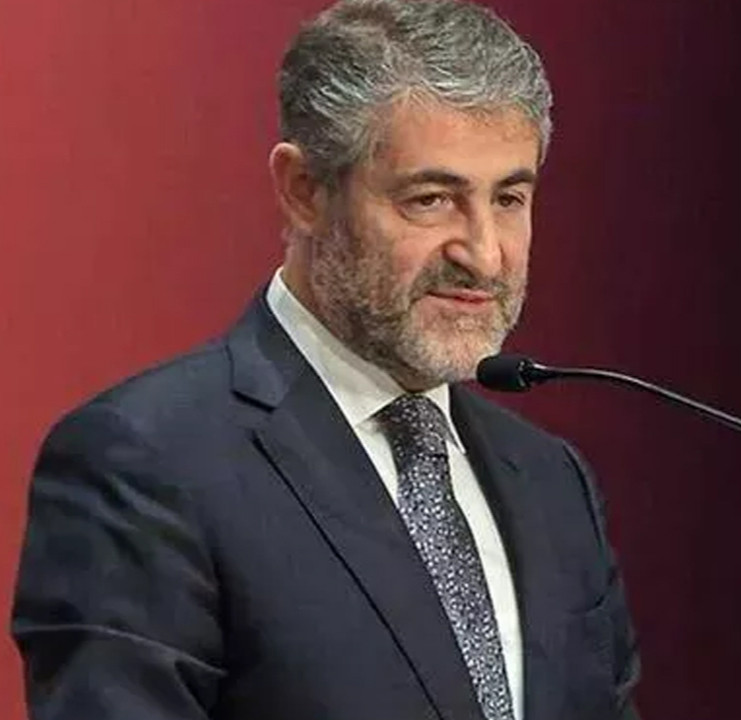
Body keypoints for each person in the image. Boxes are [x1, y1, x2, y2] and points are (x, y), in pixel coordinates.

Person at [10, 1, 640, 719]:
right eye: (431, 199)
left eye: (509, 198)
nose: (484, 255)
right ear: (304, 192)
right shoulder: (145, 464)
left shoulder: (552, 482)